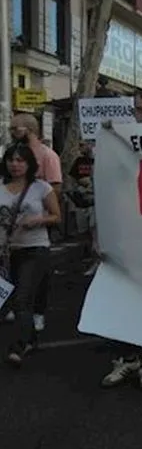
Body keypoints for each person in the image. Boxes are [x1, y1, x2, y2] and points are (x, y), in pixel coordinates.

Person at [97, 90, 142, 388]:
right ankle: (125, 360)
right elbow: (107, 193)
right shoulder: (118, 145)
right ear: (133, 112)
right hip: (124, 236)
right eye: (141, 110)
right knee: (122, 299)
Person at [0, 143, 61, 366]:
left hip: (35, 249)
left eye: (20, 160)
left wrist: (37, 220)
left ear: (29, 164)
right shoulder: (1, 187)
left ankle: (20, 344)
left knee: (22, 299)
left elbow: (56, 216)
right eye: (11, 160)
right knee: (14, 298)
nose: (15, 164)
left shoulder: (41, 188)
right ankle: (31, 338)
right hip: (9, 252)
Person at [4, 113, 63, 332]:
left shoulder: (48, 155)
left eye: (15, 128)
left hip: (40, 221)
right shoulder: (12, 154)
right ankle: (15, 304)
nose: (11, 132)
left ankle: (37, 312)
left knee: (38, 272)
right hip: (13, 227)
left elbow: (56, 187)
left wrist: (39, 206)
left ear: (28, 129)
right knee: (12, 268)